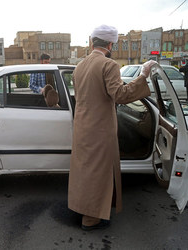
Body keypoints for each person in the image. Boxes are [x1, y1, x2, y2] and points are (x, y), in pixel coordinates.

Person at [68, 25, 156, 231]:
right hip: (100, 130)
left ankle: (81, 209)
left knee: (84, 172)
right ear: (110, 44)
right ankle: (91, 219)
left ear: (92, 42)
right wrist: (142, 76)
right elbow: (120, 95)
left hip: (82, 128)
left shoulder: (79, 66)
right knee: (98, 174)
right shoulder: (109, 65)